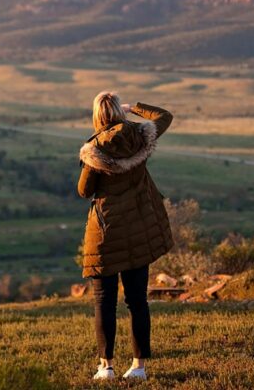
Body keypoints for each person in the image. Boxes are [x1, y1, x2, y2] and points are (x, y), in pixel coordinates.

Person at [76, 91, 174, 382]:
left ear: (96, 116)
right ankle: (139, 366)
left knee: (104, 301)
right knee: (137, 301)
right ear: (120, 110)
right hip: (139, 232)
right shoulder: (140, 135)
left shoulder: (94, 149)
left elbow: (84, 191)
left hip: (106, 235)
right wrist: (135, 109)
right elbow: (164, 117)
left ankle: (106, 366)